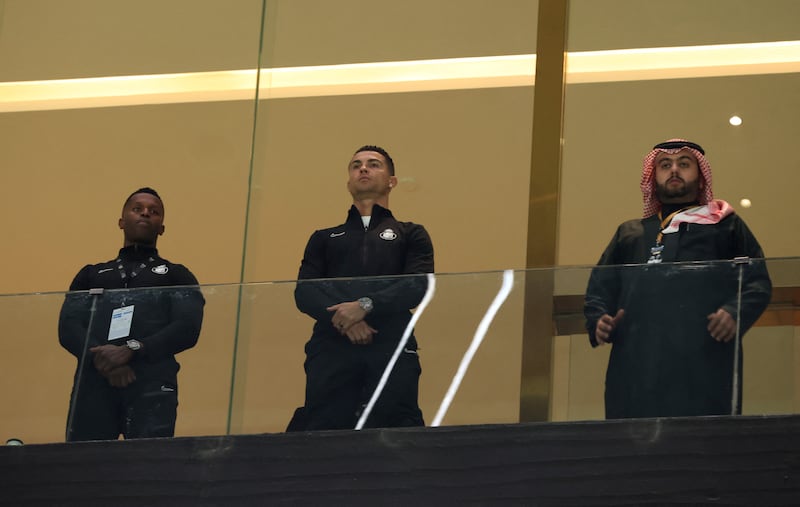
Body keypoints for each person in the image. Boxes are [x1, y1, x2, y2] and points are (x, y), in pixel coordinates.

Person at [584, 139, 772, 419]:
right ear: (652, 176)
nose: (674, 170)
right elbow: (599, 291)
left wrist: (735, 312)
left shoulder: (725, 225)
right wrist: (599, 320)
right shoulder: (629, 233)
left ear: (700, 179)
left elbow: (757, 281)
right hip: (636, 370)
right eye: (665, 165)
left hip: (704, 366)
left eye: (684, 164)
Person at [292, 145, 434, 430]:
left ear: (392, 181)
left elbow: (417, 285)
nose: (363, 169)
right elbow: (305, 292)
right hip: (331, 347)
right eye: (356, 165)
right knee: (325, 428)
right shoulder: (324, 237)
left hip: (390, 342)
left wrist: (365, 306)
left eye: (373, 164)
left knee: (395, 430)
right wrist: (346, 319)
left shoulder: (411, 233)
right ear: (349, 182)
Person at [58, 187, 204, 441]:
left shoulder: (177, 275)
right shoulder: (91, 274)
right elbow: (68, 327)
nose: (146, 214)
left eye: (154, 211)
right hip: (94, 382)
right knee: (84, 471)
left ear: (162, 228)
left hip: (151, 382)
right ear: (121, 221)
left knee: (149, 471)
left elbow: (187, 327)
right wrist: (103, 360)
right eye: (138, 209)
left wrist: (133, 350)